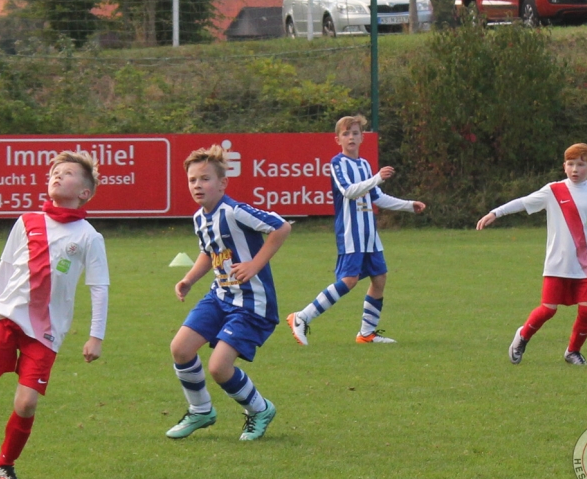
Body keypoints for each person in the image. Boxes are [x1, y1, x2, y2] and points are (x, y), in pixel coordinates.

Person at [0, 151, 109, 479]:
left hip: (47, 331)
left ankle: (4, 465)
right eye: (55, 172)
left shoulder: (89, 236)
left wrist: (96, 336)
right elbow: (5, 266)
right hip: (7, 318)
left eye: (68, 173)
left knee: (27, 402)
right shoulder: (27, 221)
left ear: (84, 192)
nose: (58, 176)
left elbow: (99, 287)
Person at [167, 145, 291, 441]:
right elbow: (208, 253)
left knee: (219, 367)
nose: (198, 185)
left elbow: (281, 227)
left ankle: (259, 409)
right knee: (181, 348)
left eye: (205, 179)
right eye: (192, 180)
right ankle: (200, 410)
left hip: (252, 304)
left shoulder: (235, 211)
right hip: (220, 297)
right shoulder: (200, 218)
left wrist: (254, 264)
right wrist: (188, 279)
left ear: (222, 183)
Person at [476, 143, 587, 366]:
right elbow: (524, 202)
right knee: (548, 310)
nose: (575, 169)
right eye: (571, 164)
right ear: (564, 166)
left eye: (580, 165)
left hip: (586, 265)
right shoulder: (554, 190)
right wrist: (496, 212)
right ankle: (522, 336)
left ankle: (573, 351)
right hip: (557, 263)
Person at [287, 114, 425, 346]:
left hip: (369, 235)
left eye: (355, 133)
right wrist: (377, 178)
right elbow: (349, 191)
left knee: (379, 278)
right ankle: (301, 317)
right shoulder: (337, 163)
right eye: (346, 133)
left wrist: (408, 205)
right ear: (337, 139)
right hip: (351, 234)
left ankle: (366, 334)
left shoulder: (364, 165)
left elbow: (377, 198)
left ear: (362, 138)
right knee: (349, 280)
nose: (351, 137)